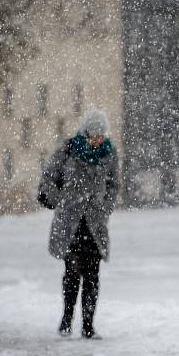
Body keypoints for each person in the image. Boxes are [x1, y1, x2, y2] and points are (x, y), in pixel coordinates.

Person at [37, 108, 119, 339]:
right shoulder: (68, 150)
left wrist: (105, 207)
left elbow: (114, 186)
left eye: (101, 136)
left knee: (92, 275)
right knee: (72, 273)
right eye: (93, 135)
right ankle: (66, 319)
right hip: (71, 222)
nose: (97, 140)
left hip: (94, 223)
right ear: (85, 133)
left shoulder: (110, 154)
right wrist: (61, 200)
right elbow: (48, 179)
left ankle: (88, 325)